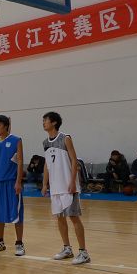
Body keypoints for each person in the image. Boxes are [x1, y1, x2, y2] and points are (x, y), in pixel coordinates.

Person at [41, 111, 90, 265]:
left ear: (54, 122)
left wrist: (73, 181)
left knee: (74, 217)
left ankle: (84, 252)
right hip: (55, 187)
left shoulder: (65, 138)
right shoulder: (45, 142)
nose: (43, 123)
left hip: (68, 186)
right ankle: (67, 249)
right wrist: (44, 184)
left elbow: (74, 160)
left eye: (45, 120)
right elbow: (47, 164)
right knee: (60, 218)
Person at [0, 115, 25, 256]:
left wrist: (18, 181)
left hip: (11, 182)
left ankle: (19, 243)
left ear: (6, 126)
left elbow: (20, 162)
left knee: (17, 213)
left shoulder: (16, 140)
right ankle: (0, 241)